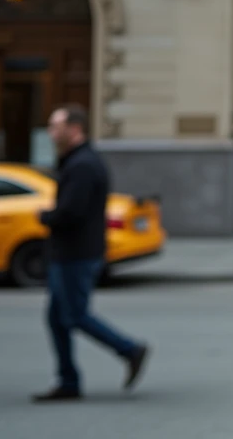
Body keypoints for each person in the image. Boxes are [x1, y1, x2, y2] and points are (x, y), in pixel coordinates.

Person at [33, 104, 149, 402]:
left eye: (56, 127)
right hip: (73, 252)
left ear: (75, 129)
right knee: (58, 318)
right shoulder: (77, 161)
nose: (51, 133)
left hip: (76, 253)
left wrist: (45, 217)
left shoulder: (82, 165)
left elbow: (71, 212)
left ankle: (129, 349)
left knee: (74, 315)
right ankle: (68, 380)